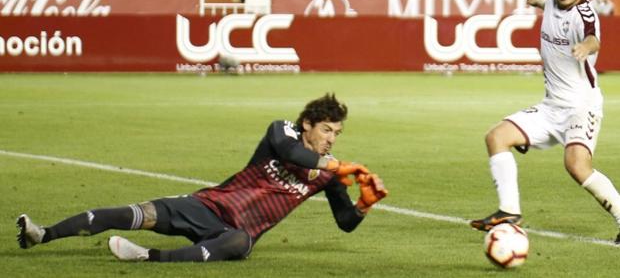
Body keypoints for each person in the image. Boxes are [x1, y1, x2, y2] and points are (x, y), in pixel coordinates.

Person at [17, 94, 388, 262]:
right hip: (209, 206)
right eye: (326, 130)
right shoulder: (284, 133)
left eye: (337, 134)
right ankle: (43, 234)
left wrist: (364, 205)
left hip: (236, 233)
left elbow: (345, 223)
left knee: (240, 243)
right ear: (308, 124)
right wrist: (334, 167)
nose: (331, 139)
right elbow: (291, 153)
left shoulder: (329, 172)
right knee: (136, 213)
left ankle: (149, 257)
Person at [470, 0, 620, 244]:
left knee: (577, 166)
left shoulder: (585, 14)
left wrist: (584, 47)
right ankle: (510, 211)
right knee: (496, 137)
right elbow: (546, 1)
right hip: (551, 107)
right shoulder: (552, 0)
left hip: (581, 107)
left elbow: (594, 39)